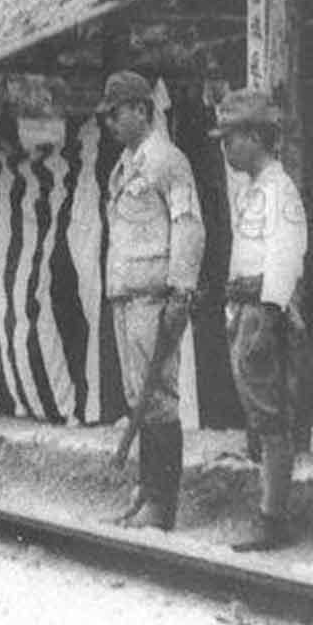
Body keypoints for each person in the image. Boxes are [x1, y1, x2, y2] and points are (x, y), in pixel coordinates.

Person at [99, 70, 206, 530]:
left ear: (142, 110)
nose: (110, 123)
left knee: (157, 397)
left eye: (116, 112)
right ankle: (146, 494)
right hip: (126, 296)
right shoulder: (123, 166)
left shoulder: (168, 162)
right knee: (135, 396)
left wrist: (182, 290)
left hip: (155, 297)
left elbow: (188, 226)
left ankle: (162, 504)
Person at [210, 88, 307, 551]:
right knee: (261, 416)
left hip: (264, 310)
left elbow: (285, 260)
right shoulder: (256, 190)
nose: (225, 148)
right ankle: (270, 511)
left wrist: (267, 319)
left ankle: (274, 519)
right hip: (246, 309)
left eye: (231, 137)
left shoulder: (278, 189)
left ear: (254, 136)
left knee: (271, 421)